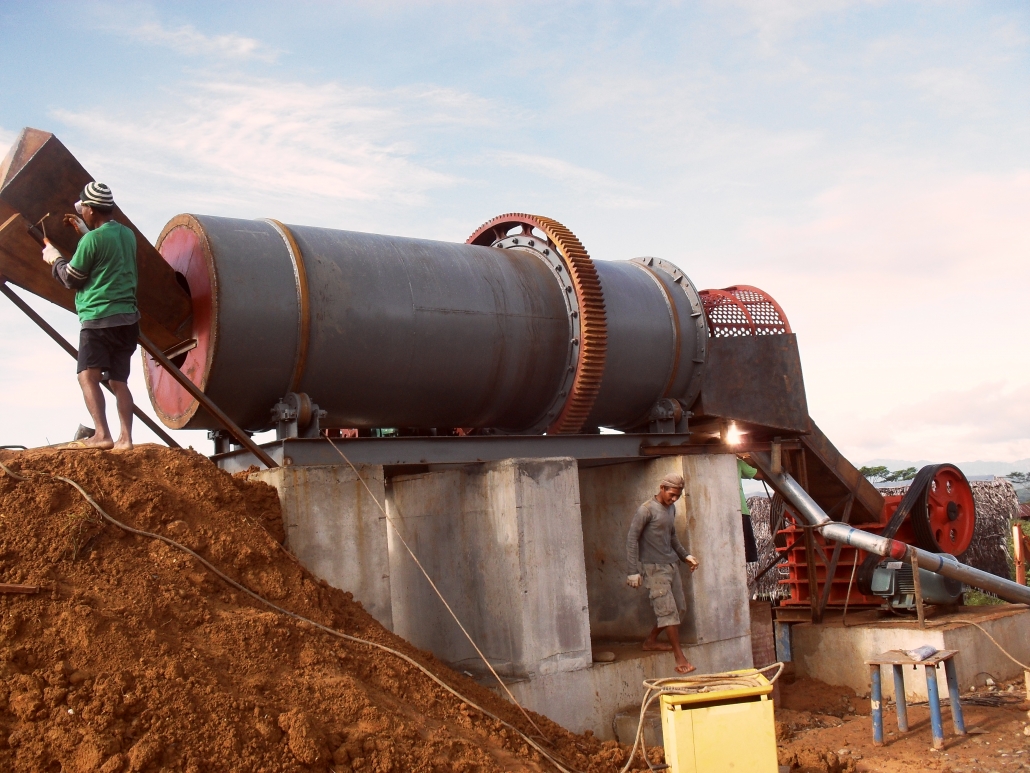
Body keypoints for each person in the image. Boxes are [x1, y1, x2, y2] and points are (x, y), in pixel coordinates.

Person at [41, 182, 139, 450]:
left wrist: (55, 258)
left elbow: (71, 279)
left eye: (82, 206)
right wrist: (87, 233)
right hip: (128, 320)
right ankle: (126, 439)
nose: (81, 210)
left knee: (87, 376)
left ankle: (102, 435)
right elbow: (108, 253)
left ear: (92, 209)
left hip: (98, 319)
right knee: (119, 381)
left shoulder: (91, 241)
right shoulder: (127, 235)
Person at [626, 472, 699, 674]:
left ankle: (651, 640)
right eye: (671, 494)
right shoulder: (646, 510)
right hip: (653, 568)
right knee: (667, 611)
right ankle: (680, 658)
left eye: (677, 496)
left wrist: (686, 556)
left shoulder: (671, 508)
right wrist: (633, 571)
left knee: (680, 609)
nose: (674, 499)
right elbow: (632, 540)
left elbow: (672, 536)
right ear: (662, 488)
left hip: (671, 565)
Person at [738, 454, 760, 563]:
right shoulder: (737, 463)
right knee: (745, 553)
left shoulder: (738, 463)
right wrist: (753, 462)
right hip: (740, 510)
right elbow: (760, 475)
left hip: (736, 511)